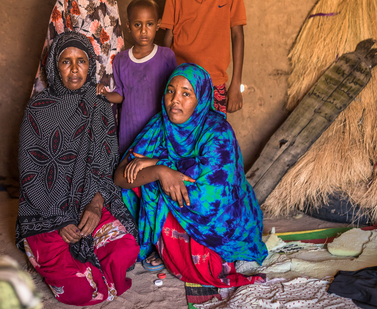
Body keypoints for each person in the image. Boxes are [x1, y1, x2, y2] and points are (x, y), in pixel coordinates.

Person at [114, 63, 267, 287]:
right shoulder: (159, 125)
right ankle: (163, 246)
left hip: (224, 218)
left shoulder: (218, 131)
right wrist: (159, 171)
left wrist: (159, 163)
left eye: (186, 93)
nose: (175, 99)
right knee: (148, 179)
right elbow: (120, 177)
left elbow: (210, 199)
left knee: (208, 265)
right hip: (177, 207)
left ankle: (176, 248)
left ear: (202, 99)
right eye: (170, 90)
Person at [16, 31, 139, 306]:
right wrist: (59, 220)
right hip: (45, 211)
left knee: (125, 248)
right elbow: (30, 174)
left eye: (81, 61)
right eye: (66, 61)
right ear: (54, 67)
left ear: (90, 66)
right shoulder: (38, 109)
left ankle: (91, 254)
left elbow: (106, 163)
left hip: (88, 199)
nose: (74, 69)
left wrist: (96, 204)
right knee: (79, 290)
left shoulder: (99, 104)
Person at [161, 0, 246, 114]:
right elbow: (168, 37)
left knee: (213, 140)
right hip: (180, 81)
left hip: (214, 82)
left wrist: (236, 84)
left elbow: (237, 35)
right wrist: (165, 78)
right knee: (181, 140)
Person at [31, 0, 124, 97]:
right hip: (69, 87)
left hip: (103, 89)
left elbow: (116, 48)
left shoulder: (109, 6)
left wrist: (106, 88)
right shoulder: (63, 7)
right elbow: (53, 53)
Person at [97, 0, 177, 156]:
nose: (144, 30)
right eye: (137, 24)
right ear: (128, 26)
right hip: (129, 131)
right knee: (129, 173)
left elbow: (173, 93)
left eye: (150, 24)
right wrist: (104, 94)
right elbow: (121, 95)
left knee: (153, 172)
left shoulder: (166, 56)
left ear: (158, 25)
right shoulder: (121, 60)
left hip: (157, 130)